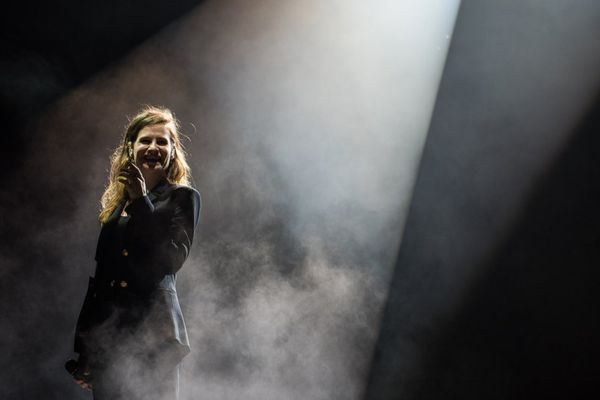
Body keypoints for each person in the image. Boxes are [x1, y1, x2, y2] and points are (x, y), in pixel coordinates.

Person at [68, 106, 201, 400]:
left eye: (162, 141)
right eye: (145, 140)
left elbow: (170, 260)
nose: (153, 148)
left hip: (154, 337)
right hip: (109, 339)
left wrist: (141, 201)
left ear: (173, 150)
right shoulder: (115, 208)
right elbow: (102, 281)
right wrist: (87, 349)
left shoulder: (183, 198)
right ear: (131, 147)